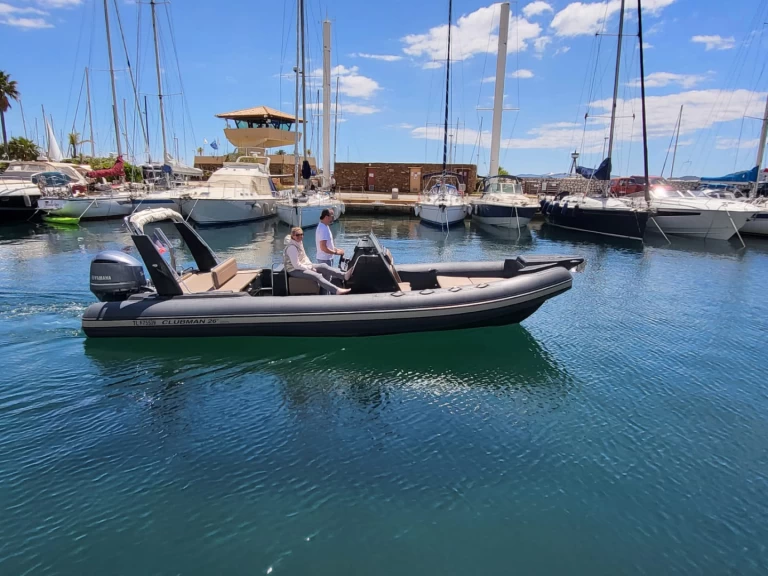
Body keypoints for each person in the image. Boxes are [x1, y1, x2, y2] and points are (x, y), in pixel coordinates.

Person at [284, 227, 351, 295]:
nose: (300, 236)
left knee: (323, 266)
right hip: (294, 270)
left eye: (301, 234)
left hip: (303, 265)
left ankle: (343, 275)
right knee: (317, 276)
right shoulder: (292, 248)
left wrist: (310, 265)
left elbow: (304, 257)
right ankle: (336, 290)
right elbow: (296, 265)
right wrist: (310, 268)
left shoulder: (298, 242)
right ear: (293, 236)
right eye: (297, 235)